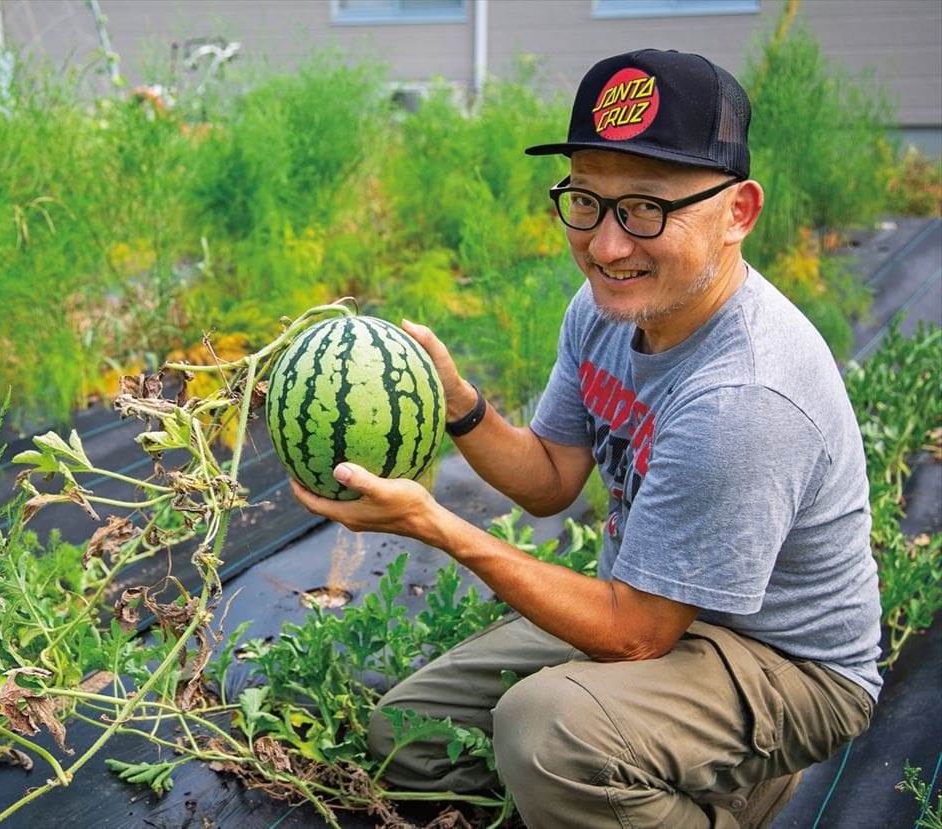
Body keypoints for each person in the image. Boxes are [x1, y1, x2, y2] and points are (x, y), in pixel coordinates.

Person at [290, 49, 881, 829]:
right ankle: (641, 785)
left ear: (738, 211)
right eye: (587, 202)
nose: (606, 246)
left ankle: (738, 786)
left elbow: (635, 633)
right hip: (666, 606)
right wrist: (459, 404)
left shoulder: (746, 393)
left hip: (784, 664)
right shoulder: (610, 306)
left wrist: (434, 523)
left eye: (646, 208)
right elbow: (549, 478)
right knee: (410, 735)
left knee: (546, 731)